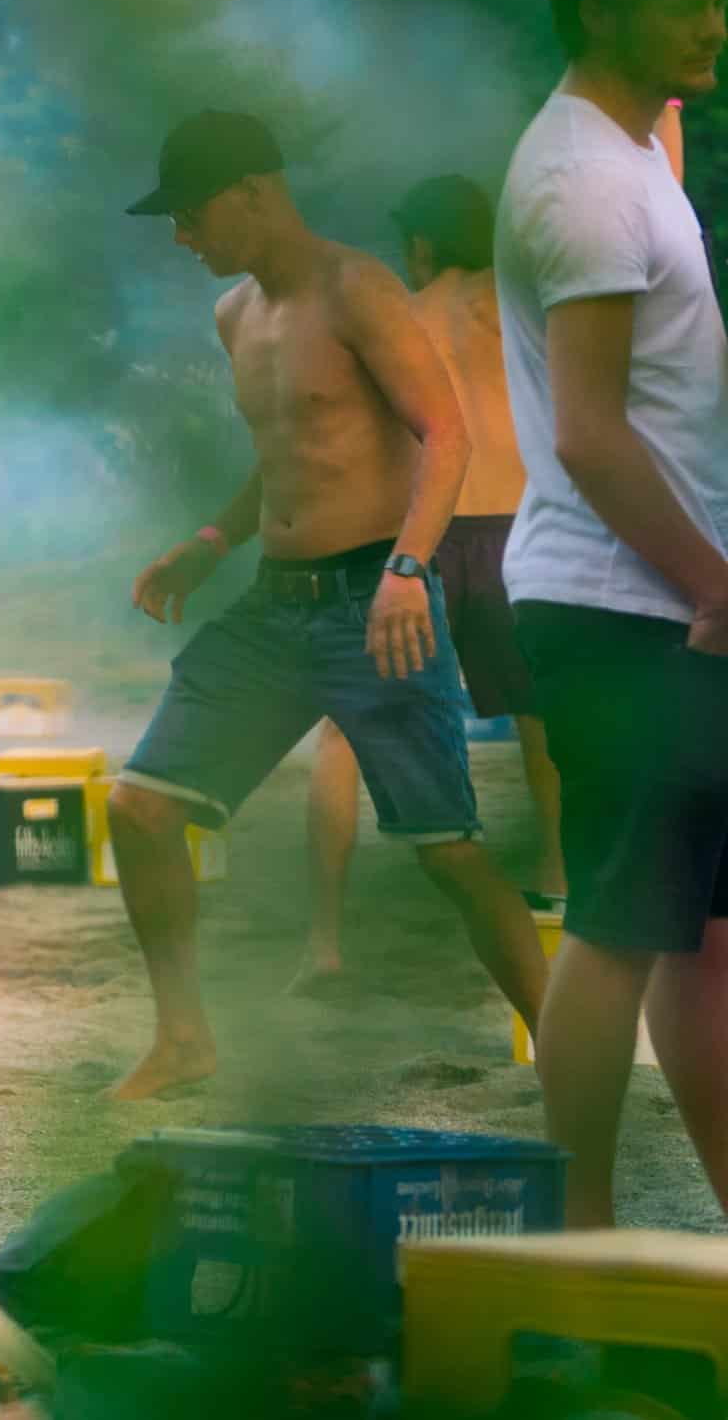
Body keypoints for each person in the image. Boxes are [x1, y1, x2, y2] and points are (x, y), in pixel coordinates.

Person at [105, 109, 549, 1100]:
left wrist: (404, 571)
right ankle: (184, 1037)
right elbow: (286, 460)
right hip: (271, 609)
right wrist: (211, 542)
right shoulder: (234, 315)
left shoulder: (359, 290)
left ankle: (565, 1047)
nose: (182, 235)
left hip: (375, 605)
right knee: (137, 810)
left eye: (190, 213)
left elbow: (443, 435)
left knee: (449, 852)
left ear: (251, 194)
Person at [497, 0, 728, 1226]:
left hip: (676, 606)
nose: (714, 20)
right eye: (687, 0)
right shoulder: (582, 179)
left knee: (704, 938)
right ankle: (573, 1229)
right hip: (622, 603)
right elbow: (586, 432)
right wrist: (710, 580)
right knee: (618, 924)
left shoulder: (637, 147)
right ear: (599, 14)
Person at [298, 174, 562, 988]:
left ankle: (325, 940)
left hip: (423, 538)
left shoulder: (397, 315)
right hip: (518, 528)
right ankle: (556, 892)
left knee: (342, 731)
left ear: (418, 243)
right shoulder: (510, 299)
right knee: (544, 721)